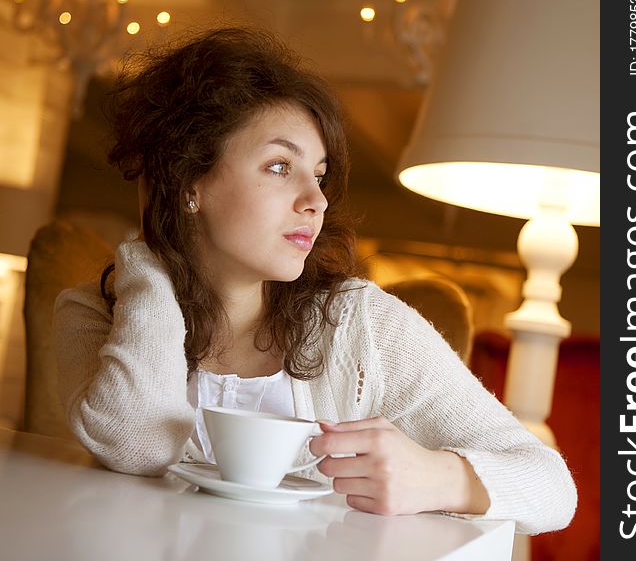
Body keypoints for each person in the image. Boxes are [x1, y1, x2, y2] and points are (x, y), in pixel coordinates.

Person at [53, 26, 576, 534]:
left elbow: (552, 488)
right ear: (190, 180)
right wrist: (149, 256)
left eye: (319, 175)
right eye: (280, 167)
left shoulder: (363, 327)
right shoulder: (93, 313)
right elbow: (137, 446)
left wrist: (439, 476)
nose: (317, 200)